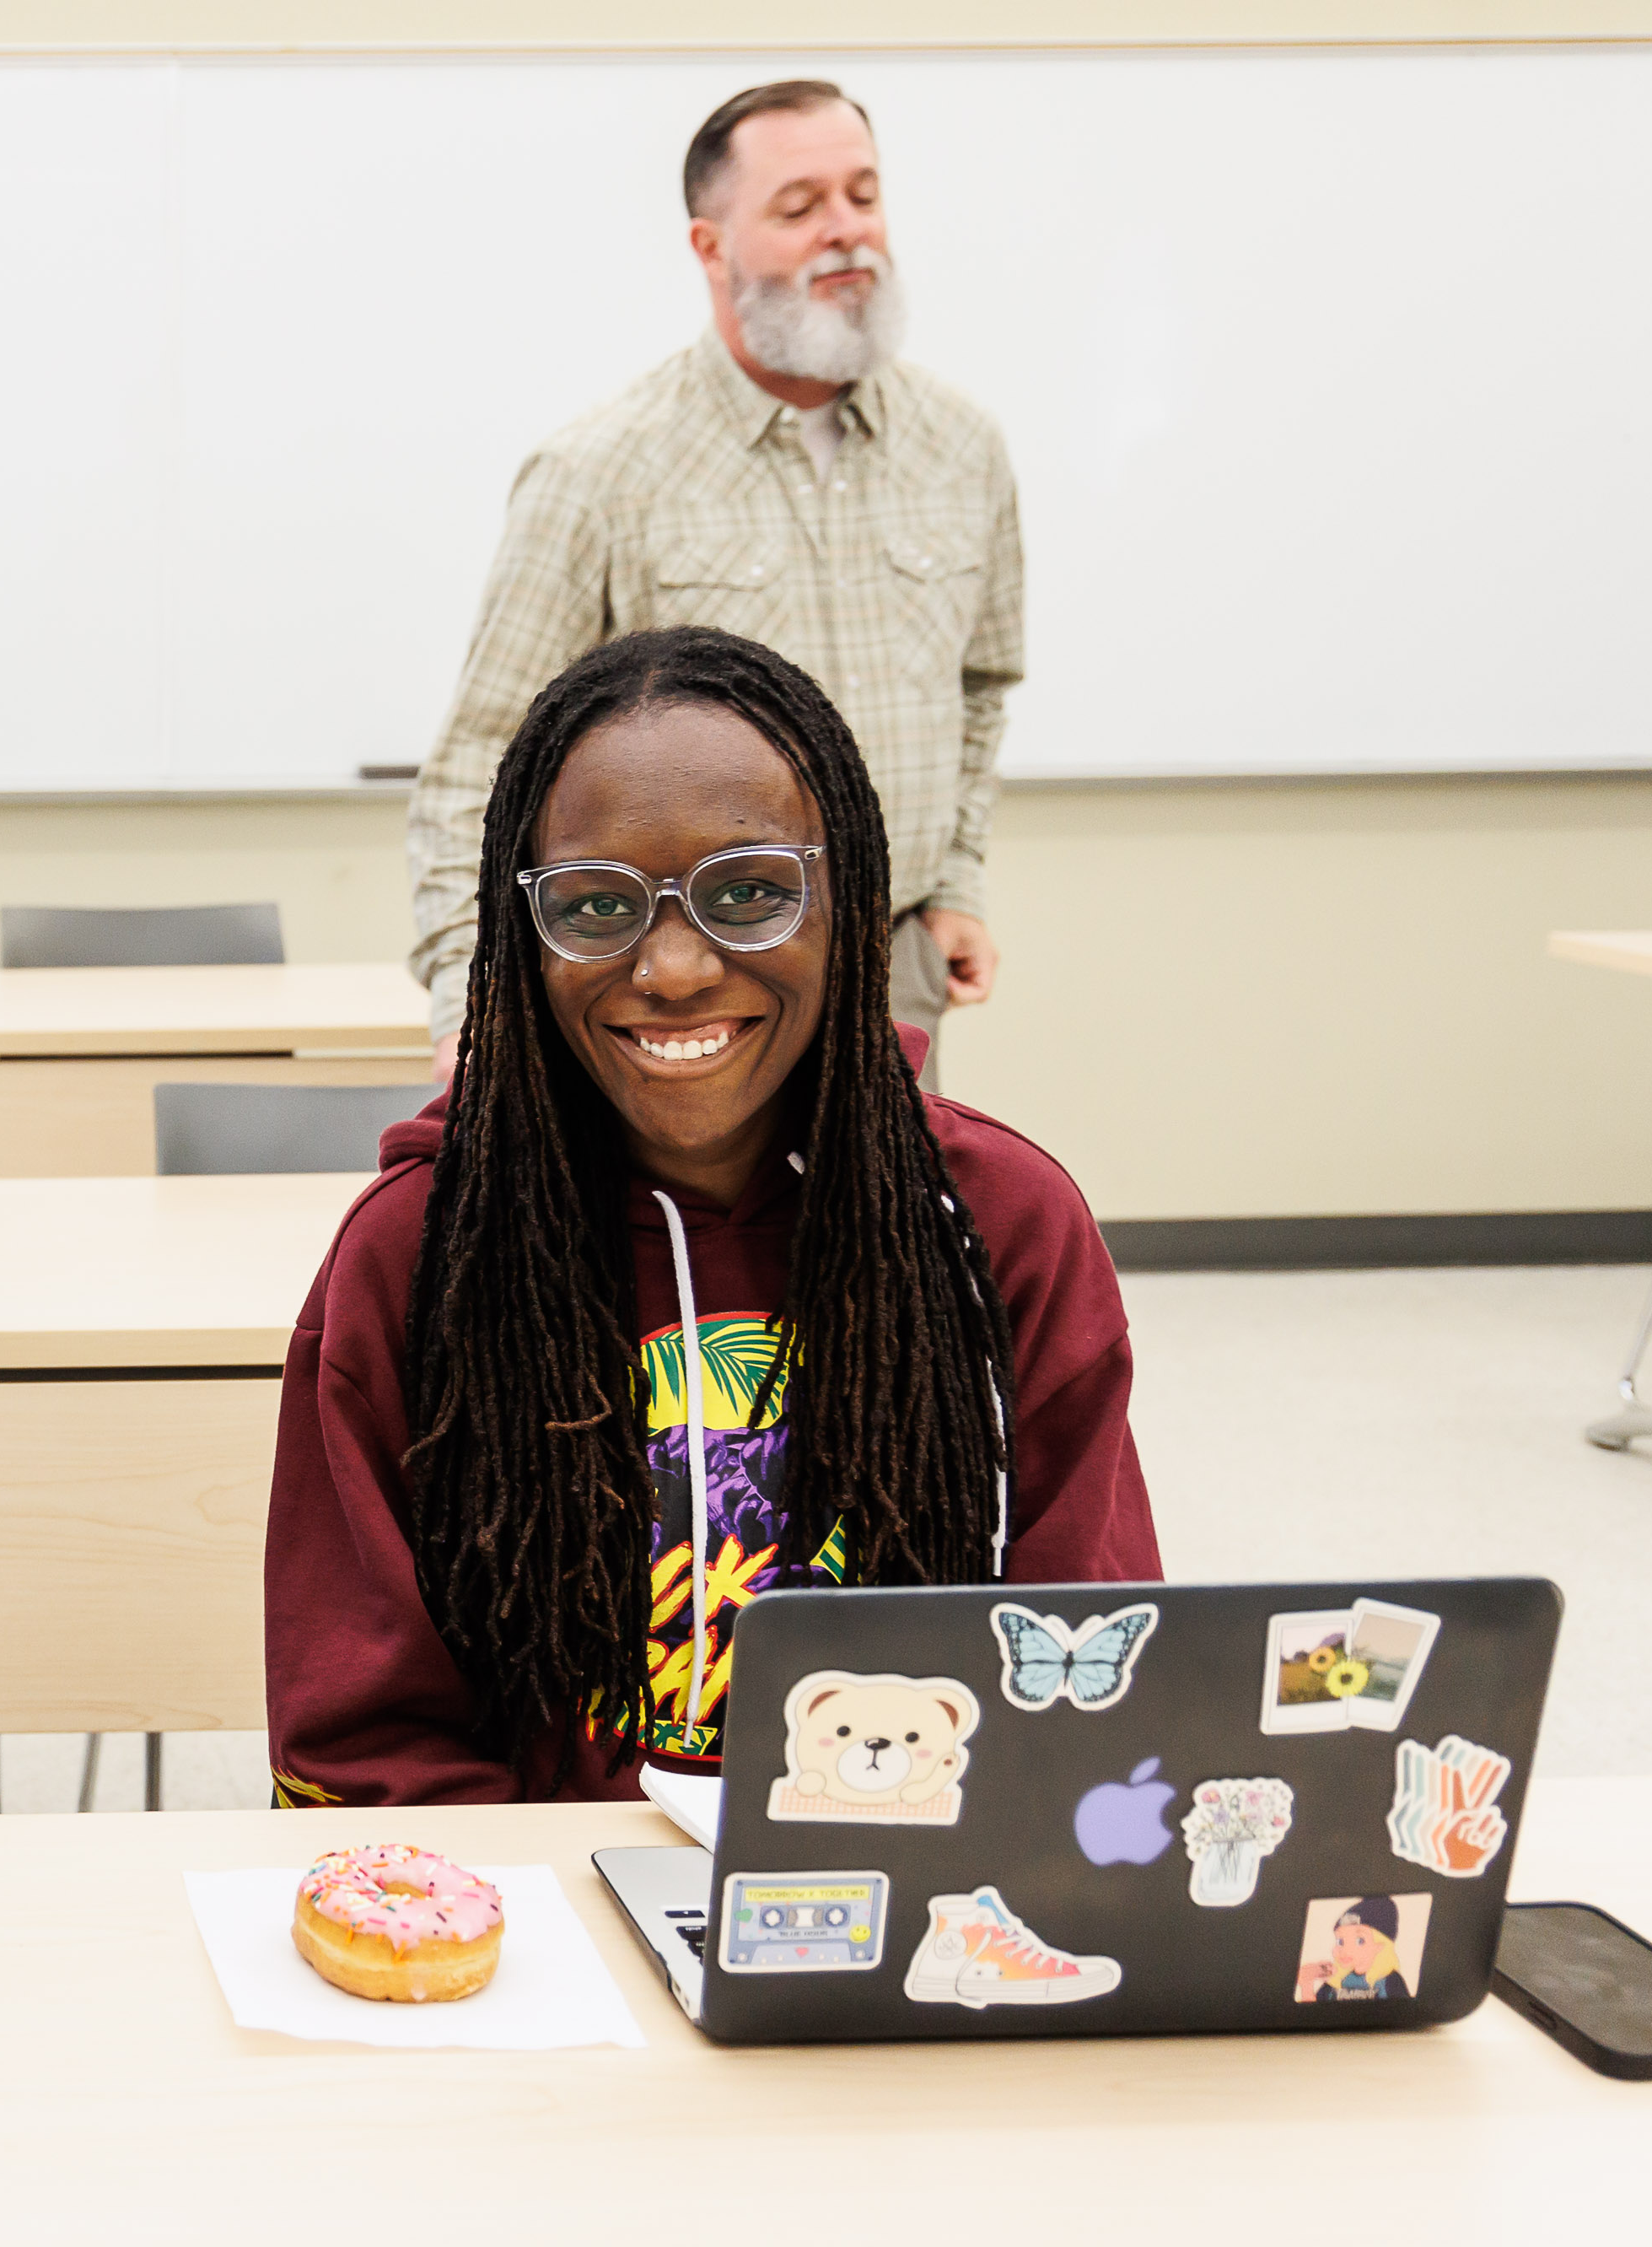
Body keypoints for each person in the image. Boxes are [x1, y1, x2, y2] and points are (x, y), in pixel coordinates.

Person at [266, 624, 1151, 1808]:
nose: (675, 967)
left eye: (750, 893)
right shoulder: (418, 1255)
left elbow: (1083, 1679)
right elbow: (363, 1749)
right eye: (593, 907)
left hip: (904, 1921)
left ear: (852, 904)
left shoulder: (997, 1227)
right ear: (520, 938)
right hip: (545, 1940)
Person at [403, 77, 1020, 1094]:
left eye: (863, 195)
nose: (847, 232)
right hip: (686, 975)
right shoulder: (600, 471)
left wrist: (954, 881)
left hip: (888, 961)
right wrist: (471, 1003)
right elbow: (481, 757)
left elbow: (982, 687)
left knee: (877, 1247)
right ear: (710, 247)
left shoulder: (963, 446)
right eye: (799, 207)